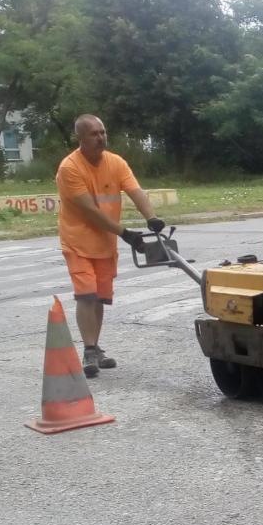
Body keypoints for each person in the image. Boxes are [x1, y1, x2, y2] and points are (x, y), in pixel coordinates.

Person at [56, 114, 164, 378]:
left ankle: (95, 348)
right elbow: (91, 212)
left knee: (100, 297)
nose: (101, 137)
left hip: (105, 242)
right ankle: (89, 350)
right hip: (78, 241)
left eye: (103, 132)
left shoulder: (116, 162)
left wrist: (152, 218)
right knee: (86, 294)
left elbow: (135, 191)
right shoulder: (70, 168)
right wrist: (125, 233)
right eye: (94, 134)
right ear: (80, 137)